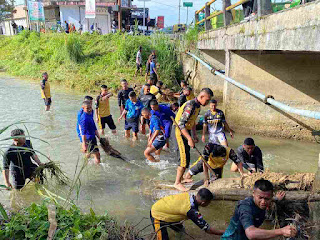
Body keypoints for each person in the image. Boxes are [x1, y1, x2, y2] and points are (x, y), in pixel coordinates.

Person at [221, 179, 297, 239]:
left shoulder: (267, 200)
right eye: (260, 198)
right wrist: (281, 231)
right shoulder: (245, 207)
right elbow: (251, 234)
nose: (263, 202)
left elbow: (268, 198)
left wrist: (277, 198)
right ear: (253, 193)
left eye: (267, 199)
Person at [174, 88, 214, 192]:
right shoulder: (190, 105)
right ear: (201, 97)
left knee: (187, 157)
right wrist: (189, 138)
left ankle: (182, 179)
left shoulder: (198, 107)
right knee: (183, 159)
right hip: (180, 132)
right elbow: (181, 124)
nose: (208, 102)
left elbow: (192, 122)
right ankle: (177, 183)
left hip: (186, 132)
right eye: (207, 100)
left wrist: (194, 135)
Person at [150, 188, 224, 240]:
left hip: (165, 208)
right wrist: (225, 232)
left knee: (180, 229)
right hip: (157, 214)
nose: (209, 204)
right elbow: (208, 230)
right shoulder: (191, 210)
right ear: (203, 202)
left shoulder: (189, 196)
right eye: (209, 203)